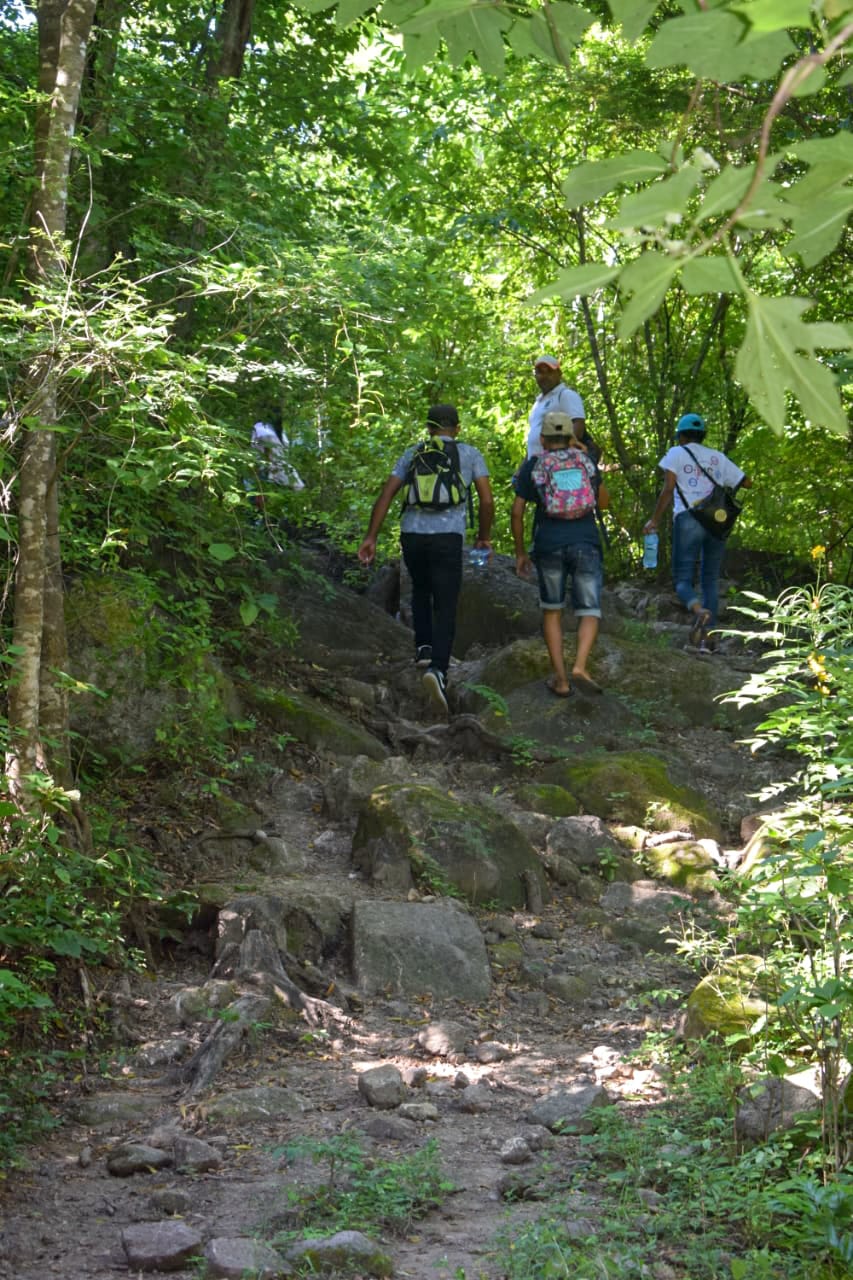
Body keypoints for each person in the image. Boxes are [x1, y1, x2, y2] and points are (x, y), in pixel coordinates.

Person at [357, 405, 494, 714]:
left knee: (420, 588)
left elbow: (387, 493)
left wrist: (371, 536)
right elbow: (486, 499)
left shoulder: (413, 454)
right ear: (456, 428)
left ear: (429, 427)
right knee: (446, 602)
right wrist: (483, 537)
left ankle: (423, 648)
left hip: (413, 534)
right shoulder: (469, 454)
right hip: (448, 536)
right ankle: (439, 671)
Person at [511, 410, 604, 698]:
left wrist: (520, 552)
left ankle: (561, 680)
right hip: (586, 540)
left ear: (542, 438)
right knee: (589, 609)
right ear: (570, 437)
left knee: (552, 610)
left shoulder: (535, 465)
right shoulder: (585, 462)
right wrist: (583, 453)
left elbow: (517, 511)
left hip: (549, 543)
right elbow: (602, 500)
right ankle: (579, 666)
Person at [643, 413, 752, 651]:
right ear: (702, 435)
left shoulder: (676, 453)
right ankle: (709, 640)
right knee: (710, 579)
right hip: (715, 522)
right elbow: (746, 482)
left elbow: (668, 489)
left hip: (688, 520)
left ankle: (697, 610)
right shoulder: (717, 457)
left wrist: (654, 519)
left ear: (681, 435)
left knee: (682, 579)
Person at [527, 355, 594, 461]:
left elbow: (578, 425)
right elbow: (533, 437)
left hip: (557, 463)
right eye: (540, 372)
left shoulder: (566, 395)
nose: (544, 376)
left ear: (559, 373)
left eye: (549, 372)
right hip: (537, 463)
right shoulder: (538, 403)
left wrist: (562, 452)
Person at [249, 409, 305, 497]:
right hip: (268, 470)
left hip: (277, 468)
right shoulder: (262, 427)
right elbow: (267, 449)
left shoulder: (275, 430)